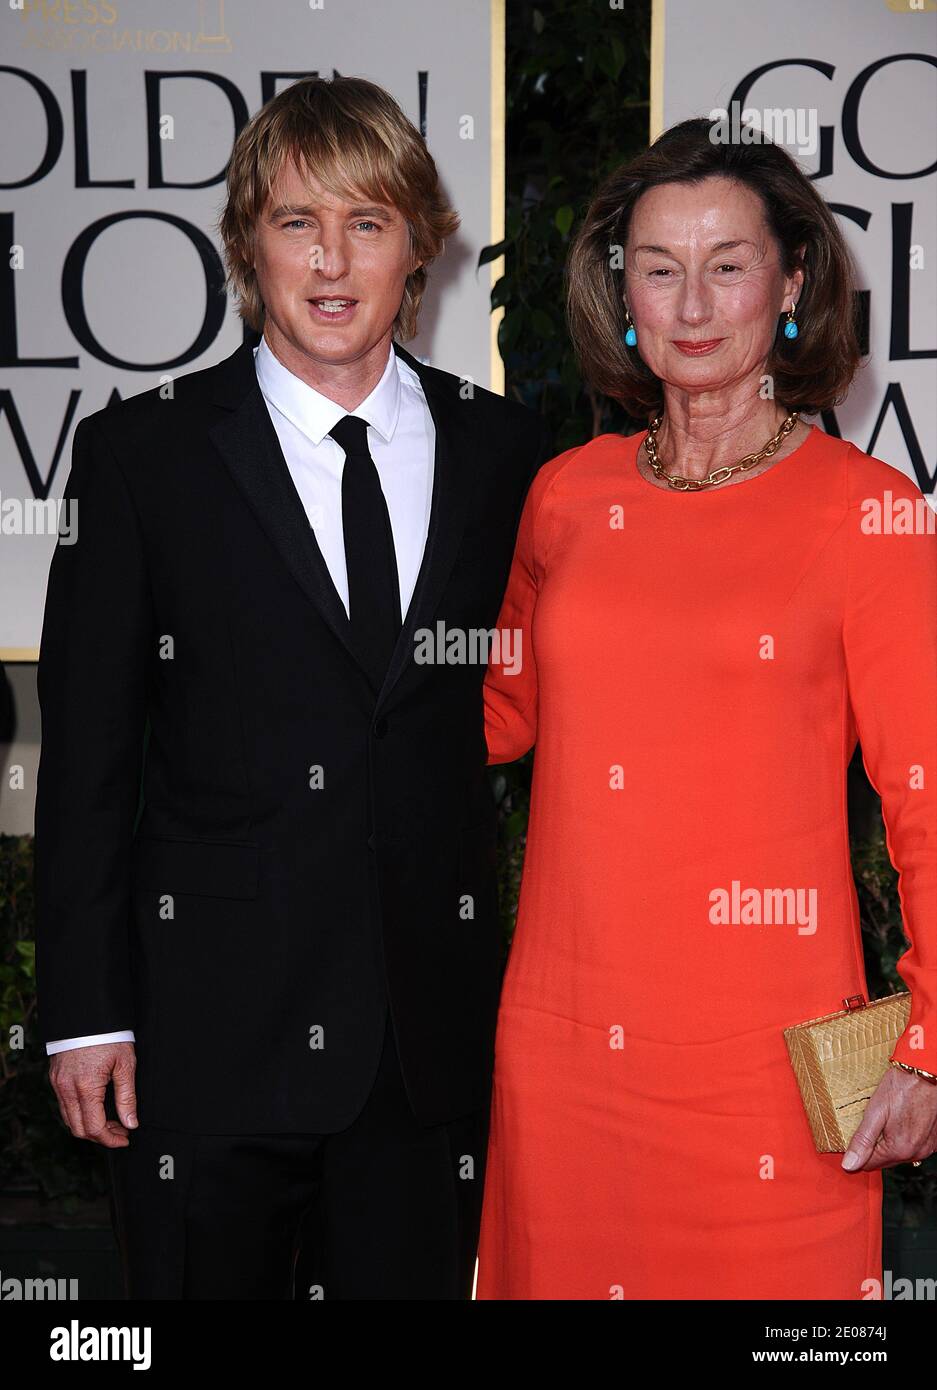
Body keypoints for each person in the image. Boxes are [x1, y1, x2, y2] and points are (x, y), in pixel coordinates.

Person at [34, 75, 550, 1300]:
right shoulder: (141, 453)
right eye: (294, 221)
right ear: (243, 244)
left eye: (367, 223)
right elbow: (92, 757)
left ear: (417, 246)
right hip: (204, 1041)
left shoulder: (509, 456)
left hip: (430, 1049)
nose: (330, 260)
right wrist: (84, 1012)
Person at [475, 116, 937, 1300]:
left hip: (766, 1073)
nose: (691, 304)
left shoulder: (868, 513)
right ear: (617, 288)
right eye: (658, 267)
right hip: (564, 1052)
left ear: (791, 281)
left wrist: (931, 1049)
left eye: (727, 265)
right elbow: (486, 720)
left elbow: (924, 800)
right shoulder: (565, 496)